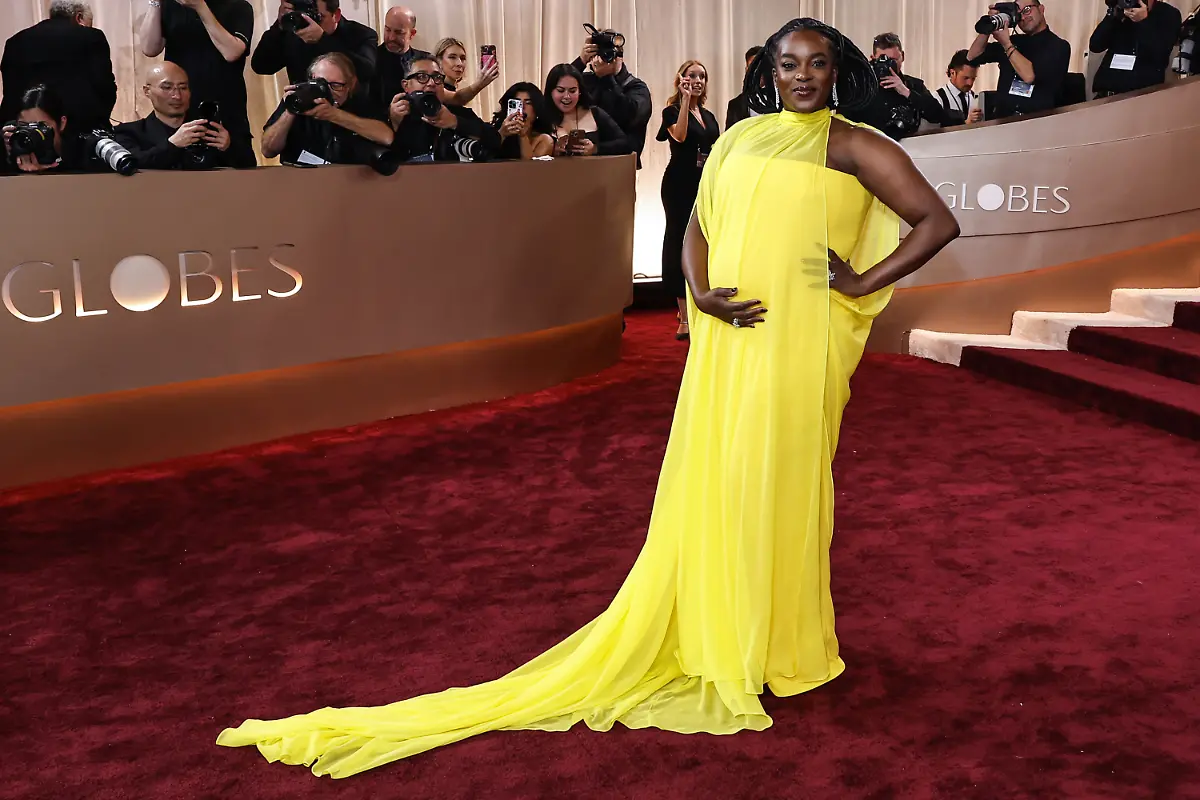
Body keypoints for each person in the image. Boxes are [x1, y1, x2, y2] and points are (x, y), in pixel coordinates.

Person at [215, 18, 959, 777]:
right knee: (720, 479)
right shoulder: (740, 136)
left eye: (818, 64)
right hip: (727, 343)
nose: (803, 76)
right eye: (789, 63)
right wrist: (697, 291)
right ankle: (720, 629)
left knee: (782, 480)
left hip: (798, 341)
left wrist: (864, 281)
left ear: (838, 70)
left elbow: (938, 220)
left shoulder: (857, 144)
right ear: (769, 69)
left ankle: (778, 641)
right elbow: (699, 222)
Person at [139, 0, 256, 168]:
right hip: (179, 106)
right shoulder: (170, 6)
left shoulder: (238, 6)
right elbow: (150, 48)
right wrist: (155, 3)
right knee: (177, 169)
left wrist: (200, 6)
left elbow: (232, 52)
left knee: (234, 166)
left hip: (224, 107)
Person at [658, 60, 720, 341]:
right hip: (679, 184)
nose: (697, 80)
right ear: (681, 78)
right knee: (678, 240)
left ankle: (701, 305)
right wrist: (684, 100)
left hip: (704, 183)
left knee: (702, 241)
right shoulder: (671, 111)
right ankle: (683, 315)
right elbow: (680, 136)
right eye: (692, 75)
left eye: (702, 76)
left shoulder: (709, 115)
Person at [0, 1, 117, 137]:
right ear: (79, 18)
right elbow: (105, 88)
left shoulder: (14, 42)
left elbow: (10, 96)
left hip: (27, 137)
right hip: (79, 136)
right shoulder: (92, 37)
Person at [113, 62, 253, 170]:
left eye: (183, 87)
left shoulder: (210, 132)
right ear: (147, 91)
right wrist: (172, 145)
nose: (177, 96)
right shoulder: (129, 133)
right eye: (167, 87)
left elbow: (250, 167)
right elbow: (131, 164)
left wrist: (229, 147)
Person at [262, 52, 394, 165]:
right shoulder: (298, 100)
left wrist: (336, 115)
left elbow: (387, 137)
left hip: (348, 183)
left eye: (335, 85)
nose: (327, 91)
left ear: (351, 84)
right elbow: (268, 150)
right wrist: (291, 111)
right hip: (301, 182)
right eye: (321, 84)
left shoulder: (362, 103)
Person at [967, 1, 1071, 118]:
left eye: (1027, 10)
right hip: (1003, 119)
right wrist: (990, 24)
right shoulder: (1014, 41)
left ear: (1041, 9)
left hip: (1036, 121)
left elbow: (1029, 76)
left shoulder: (1058, 46)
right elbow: (972, 56)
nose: (1023, 17)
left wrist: (1006, 44)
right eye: (1018, 14)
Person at [388, 56, 500, 162]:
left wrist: (455, 122)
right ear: (406, 85)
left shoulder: (456, 112)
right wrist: (395, 124)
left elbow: (495, 139)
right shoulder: (398, 113)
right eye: (422, 77)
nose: (431, 83)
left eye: (437, 78)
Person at [251, 0, 379, 86]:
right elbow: (261, 66)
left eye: (318, 17)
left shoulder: (362, 34)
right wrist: (280, 25)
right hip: (305, 115)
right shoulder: (295, 34)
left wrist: (322, 40)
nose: (311, 24)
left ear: (337, 15)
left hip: (346, 115)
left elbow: (366, 71)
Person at [571, 32, 652, 167]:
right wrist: (581, 61)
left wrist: (607, 78)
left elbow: (631, 118)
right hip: (585, 163)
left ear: (619, 57)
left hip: (621, 164)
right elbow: (559, 89)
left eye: (607, 54)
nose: (602, 59)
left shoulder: (636, 87)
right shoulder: (587, 81)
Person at [842, 32, 943, 140]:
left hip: (912, 151)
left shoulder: (914, 85)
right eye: (884, 60)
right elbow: (844, 127)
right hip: (870, 150)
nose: (889, 65)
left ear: (902, 56)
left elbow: (938, 115)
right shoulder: (861, 89)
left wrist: (906, 92)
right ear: (873, 58)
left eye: (894, 60)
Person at [1090, 0, 1182, 97]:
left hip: (1141, 97)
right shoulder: (1121, 11)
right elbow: (1095, 46)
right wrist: (1112, 14)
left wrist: (1143, 21)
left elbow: (1160, 54)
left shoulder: (1168, 14)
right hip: (1106, 94)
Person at [543, 63, 630, 157]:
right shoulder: (541, 118)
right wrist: (550, 150)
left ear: (580, 91)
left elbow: (625, 143)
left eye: (572, 91)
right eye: (560, 90)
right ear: (550, 91)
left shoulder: (595, 113)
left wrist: (595, 149)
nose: (567, 96)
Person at [1, 84, 90, 174]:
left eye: (41, 125)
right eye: (24, 125)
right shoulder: (12, 148)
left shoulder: (81, 154)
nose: (32, 132)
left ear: (62, 123)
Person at [372, 6, 430, 114]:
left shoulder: (425, 61)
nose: (391, 37)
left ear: (412, 34)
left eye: (399, 32)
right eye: (388, 30)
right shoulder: (371, 59)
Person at [492, 82, 554, 160]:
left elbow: (530, 168)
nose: (522, 107)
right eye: (517, 103)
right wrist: (501, 134)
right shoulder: (497, 131)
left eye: (528, 103)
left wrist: (523, 136)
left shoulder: (543, 140)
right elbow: (485, 155)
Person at [434, 37, 500, 107]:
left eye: (463, 58)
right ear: (438, 61)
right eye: (452, 57)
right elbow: (457, 98)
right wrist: (480, 84)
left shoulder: (453, 90)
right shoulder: (434, 88)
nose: (460, 63)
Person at [935, 50, 982, 126]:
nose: (970, 83)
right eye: (966, 78)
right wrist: (966, 124)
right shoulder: (937, 98)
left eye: (973, 78)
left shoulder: (975, 98)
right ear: (952, 73)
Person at [725, 46, 762, 129]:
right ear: (746, 70)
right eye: (752, 67)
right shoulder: (735, 105)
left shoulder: (780, 101)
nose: (756, 71)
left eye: (760, 66)